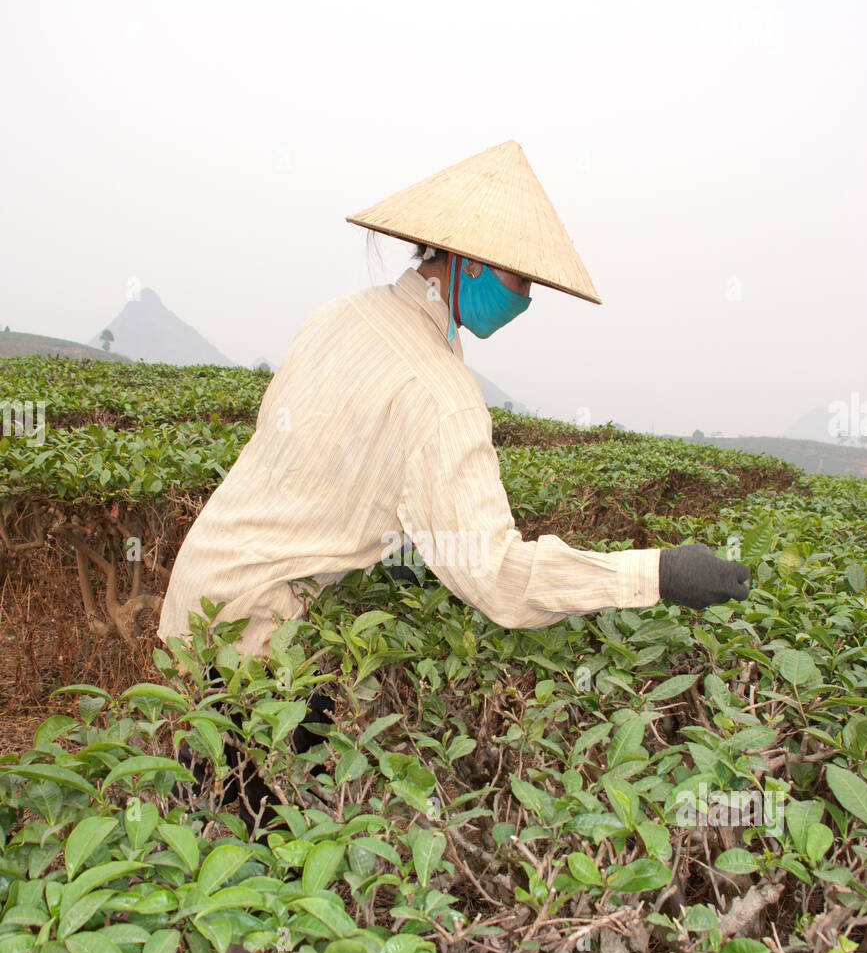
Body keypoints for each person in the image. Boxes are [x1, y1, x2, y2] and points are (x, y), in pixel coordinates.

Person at [158, 139, 749, 818]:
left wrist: (401, 532)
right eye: (521, 281)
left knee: (202, 792)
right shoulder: (441, 393)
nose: (525, 300)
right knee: (265, 832)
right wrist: (659, 573)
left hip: (200, 590)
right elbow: (499, 579)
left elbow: (313, 451)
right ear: (467, 263)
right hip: (254, 634)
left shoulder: (339, 315)